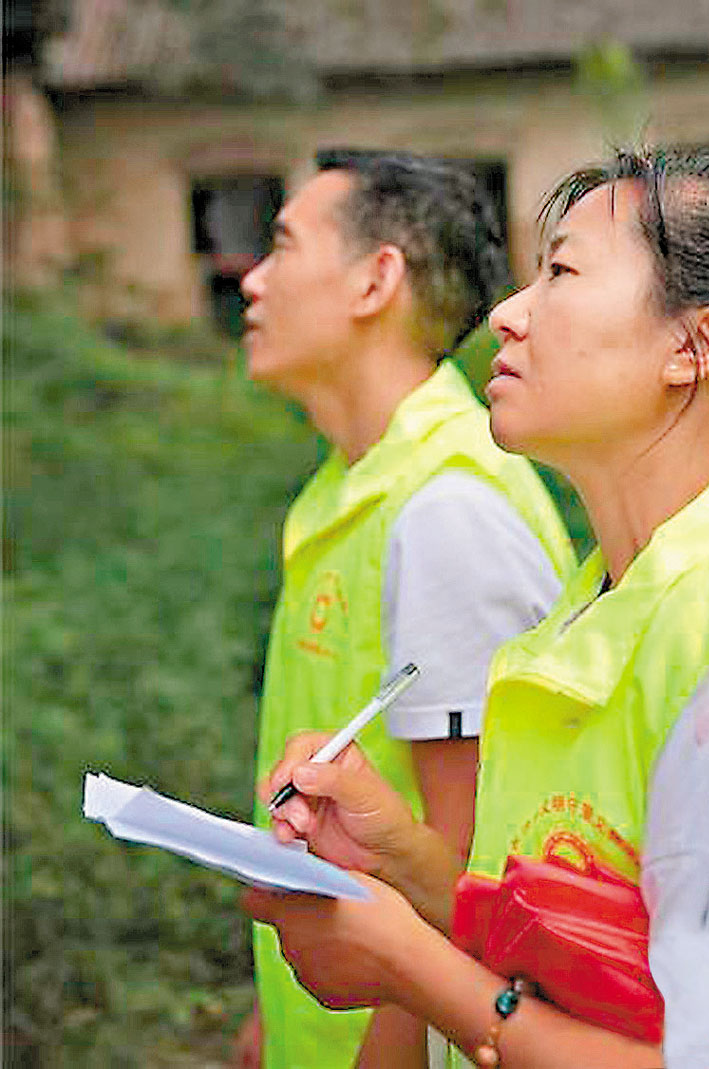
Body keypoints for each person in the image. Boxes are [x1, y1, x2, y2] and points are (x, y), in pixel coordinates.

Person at [244, 146, 709, 1067]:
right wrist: (396, 860)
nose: (508, 315)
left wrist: (405, 964)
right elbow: (579, 961)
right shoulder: (599, 602)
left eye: (559, 272)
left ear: (693, 346)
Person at [237, 150, 576, 1068]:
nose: (252, 281)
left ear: (374, 280)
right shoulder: (347, 489)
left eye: (280, 246)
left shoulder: (445, 511)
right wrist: (274, 1016)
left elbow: (467, 866)